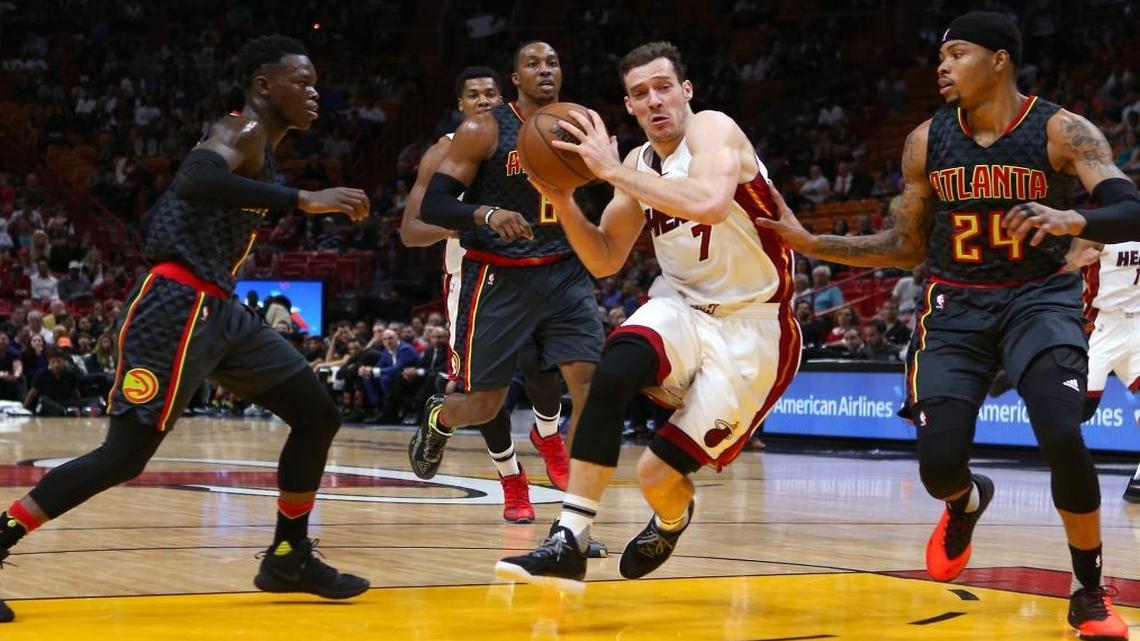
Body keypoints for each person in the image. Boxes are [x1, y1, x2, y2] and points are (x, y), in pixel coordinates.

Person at [758, 12, 1136, 639]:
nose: (941, 65)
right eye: (940, 55)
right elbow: (906, 248)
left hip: (1039, 299)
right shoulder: (924, 141)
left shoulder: (1063, 130)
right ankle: (965, 501)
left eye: (956, 53)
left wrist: (1075, 221)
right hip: (955, 307)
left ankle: (1089, 592)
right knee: (938, 465)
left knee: (1061, 431)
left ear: (999, 60)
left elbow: (1129, 208)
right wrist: (811, 240)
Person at [0, 35, 372, 622]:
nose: (313, 93)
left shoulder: (261, 150)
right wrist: (303, 199)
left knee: (318, 412)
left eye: (315, 83)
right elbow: (194, 180)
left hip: (220, 308)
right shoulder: (240, 130)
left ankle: (287, 556)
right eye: (300, 82)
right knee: (123, 458)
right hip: (176, 303)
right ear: (263, 86)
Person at [494, 41, 800, 591]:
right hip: (682, 305)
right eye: (640, 94)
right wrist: (563, 201)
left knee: (655, 476)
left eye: (663, 87)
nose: (654, 100)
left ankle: (671, 518)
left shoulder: (713, 129)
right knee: (614, 367)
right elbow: (606, 258)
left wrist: (610, 170)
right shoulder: (637, 164)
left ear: (686, 91)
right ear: (629, 107)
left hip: (754, 327)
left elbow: (707, 201)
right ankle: (571, 537)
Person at [409, 43, 602, 513]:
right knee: (484, 405)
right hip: (498, 275)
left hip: (563, 270)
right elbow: (431, 208)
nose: (545, 70)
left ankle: (575, 521)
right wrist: (486, 213)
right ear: (515, 78)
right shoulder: (484, 130)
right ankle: (442, 414)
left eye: (553, 62)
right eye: (533, 64)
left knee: (591, 387)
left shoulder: (582, 124)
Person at [1070, 240, 1140, 501]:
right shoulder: (1100, 228)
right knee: (1082, 410)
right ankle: (1016, 376)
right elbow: (1059, 263)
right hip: (1101, 326)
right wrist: (1074, 261)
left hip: (1137, 326)